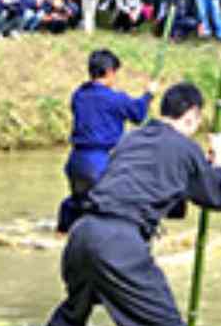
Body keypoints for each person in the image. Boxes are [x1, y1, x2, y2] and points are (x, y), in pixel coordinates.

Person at [41, 82, 221, 326]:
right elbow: (215, 199)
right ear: (192, 116)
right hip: (118, 241)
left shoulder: (132, 138)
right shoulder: (185, 149)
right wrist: (218, 160)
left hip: (82, 234)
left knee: (76, 307)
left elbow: (140, 188)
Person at [55, 49, 156, 233]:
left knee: (79, 202)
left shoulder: (79, 95)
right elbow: (138, 114)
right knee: (115, 206)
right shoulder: (115, 98)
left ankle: (63, 231)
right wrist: (149, 95)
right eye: (115, 73)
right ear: (109, 72)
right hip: (99, 162)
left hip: (75, 162)